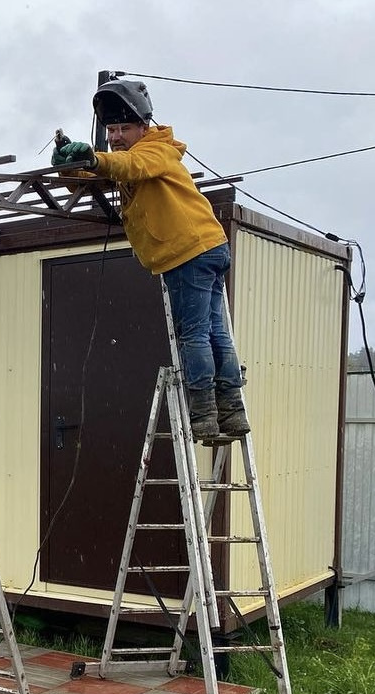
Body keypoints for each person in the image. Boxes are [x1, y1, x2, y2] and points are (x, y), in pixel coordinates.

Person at [51, 77, 249, 441]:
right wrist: (69, 166)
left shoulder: (156, 151)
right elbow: (95, 178)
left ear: (144, 126)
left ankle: (203, 413)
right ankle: (232, 410)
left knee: (194, 335)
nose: (116, 136)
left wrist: (94, 158)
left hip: (188, 251)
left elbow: (128, 165)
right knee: (214, 331)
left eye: (124, 128)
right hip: (205, 247)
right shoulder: (135, 158)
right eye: (111, 130)